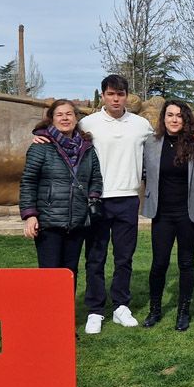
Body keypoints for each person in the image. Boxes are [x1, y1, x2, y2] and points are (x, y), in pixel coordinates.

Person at [76, 74, 153, 333]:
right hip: (97, 200)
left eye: (120, 94)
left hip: (128, 199)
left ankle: (121, 305)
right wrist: (39, 136)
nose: (116, 99)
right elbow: (63, 138)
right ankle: (95, 310)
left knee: (124, 257)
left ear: (127, 96)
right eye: (111, 94)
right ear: (103, 96)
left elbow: (163, 144)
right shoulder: (88, 123)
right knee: (95, 258)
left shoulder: (141, 124)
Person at [20, 100, 104, 291]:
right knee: (50, 272)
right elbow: (28, 181)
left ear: (76, 117)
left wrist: (92, 197)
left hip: (77, 221)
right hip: (49, 221)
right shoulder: (41, 146)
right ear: (52, 119)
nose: (65, 118)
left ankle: (65, 318)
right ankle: (48, 317)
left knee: (70, 271)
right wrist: (30, 214)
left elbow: (96, 178)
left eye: (69, 114)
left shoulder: (87, 148)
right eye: (59, 114)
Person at [140, 100, 194, 331]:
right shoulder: (151, 143)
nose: (174, 119)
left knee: (186, 263)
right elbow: (145, 171)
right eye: (170, 115)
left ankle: (183, 312)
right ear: (163, 118)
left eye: (179, 116)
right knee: (159, 263)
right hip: (162, 214)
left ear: (185, 120)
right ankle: (155, 310)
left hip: (188, 213)